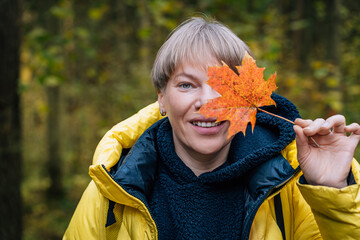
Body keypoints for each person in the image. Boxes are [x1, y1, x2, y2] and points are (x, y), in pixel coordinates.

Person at [63, 17, 360, 240]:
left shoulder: (291, 185)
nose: (207, 102)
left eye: (223, 87)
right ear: (161, 99)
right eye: (186, 85)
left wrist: (332, 192)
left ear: (248, 99)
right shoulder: (114, 189)